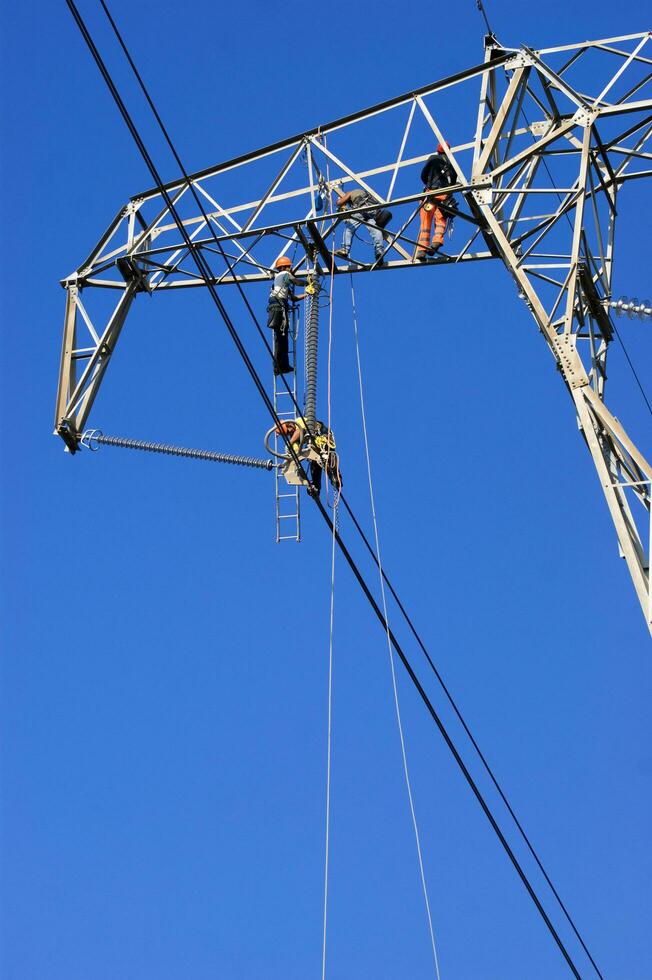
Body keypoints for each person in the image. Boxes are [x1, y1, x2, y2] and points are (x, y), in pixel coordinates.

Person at [415, 143, 456, 261]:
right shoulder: (451, 163)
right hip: (444, 196)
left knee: (425, 223)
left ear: (438, 151)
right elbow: (453, 182)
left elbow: (423, 175)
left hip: (431, 194)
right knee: (441, 220)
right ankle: (437, 241)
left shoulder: (433, 159)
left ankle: (422, 250)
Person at [267, 256, 305, 374]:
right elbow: (297, 282)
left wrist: (307, 294)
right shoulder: (284, 274)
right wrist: (310, 282)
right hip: (278, 308)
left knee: (283, 339)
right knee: (280, 339)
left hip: (278, 308)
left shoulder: (281, 282)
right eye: (289, 267)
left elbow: (293, 298)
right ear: (283, 267)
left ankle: (283, 365)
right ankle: (278, 366)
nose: (290, 269)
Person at [334, 188, 386, 265]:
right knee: (375, 230)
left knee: (349, 228)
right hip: (372, 211)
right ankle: (379, 251)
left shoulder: (350, 192)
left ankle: (345, 249)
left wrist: (338, 201)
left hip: (361, 209)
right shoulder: (365, 193)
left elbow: (339, 203)